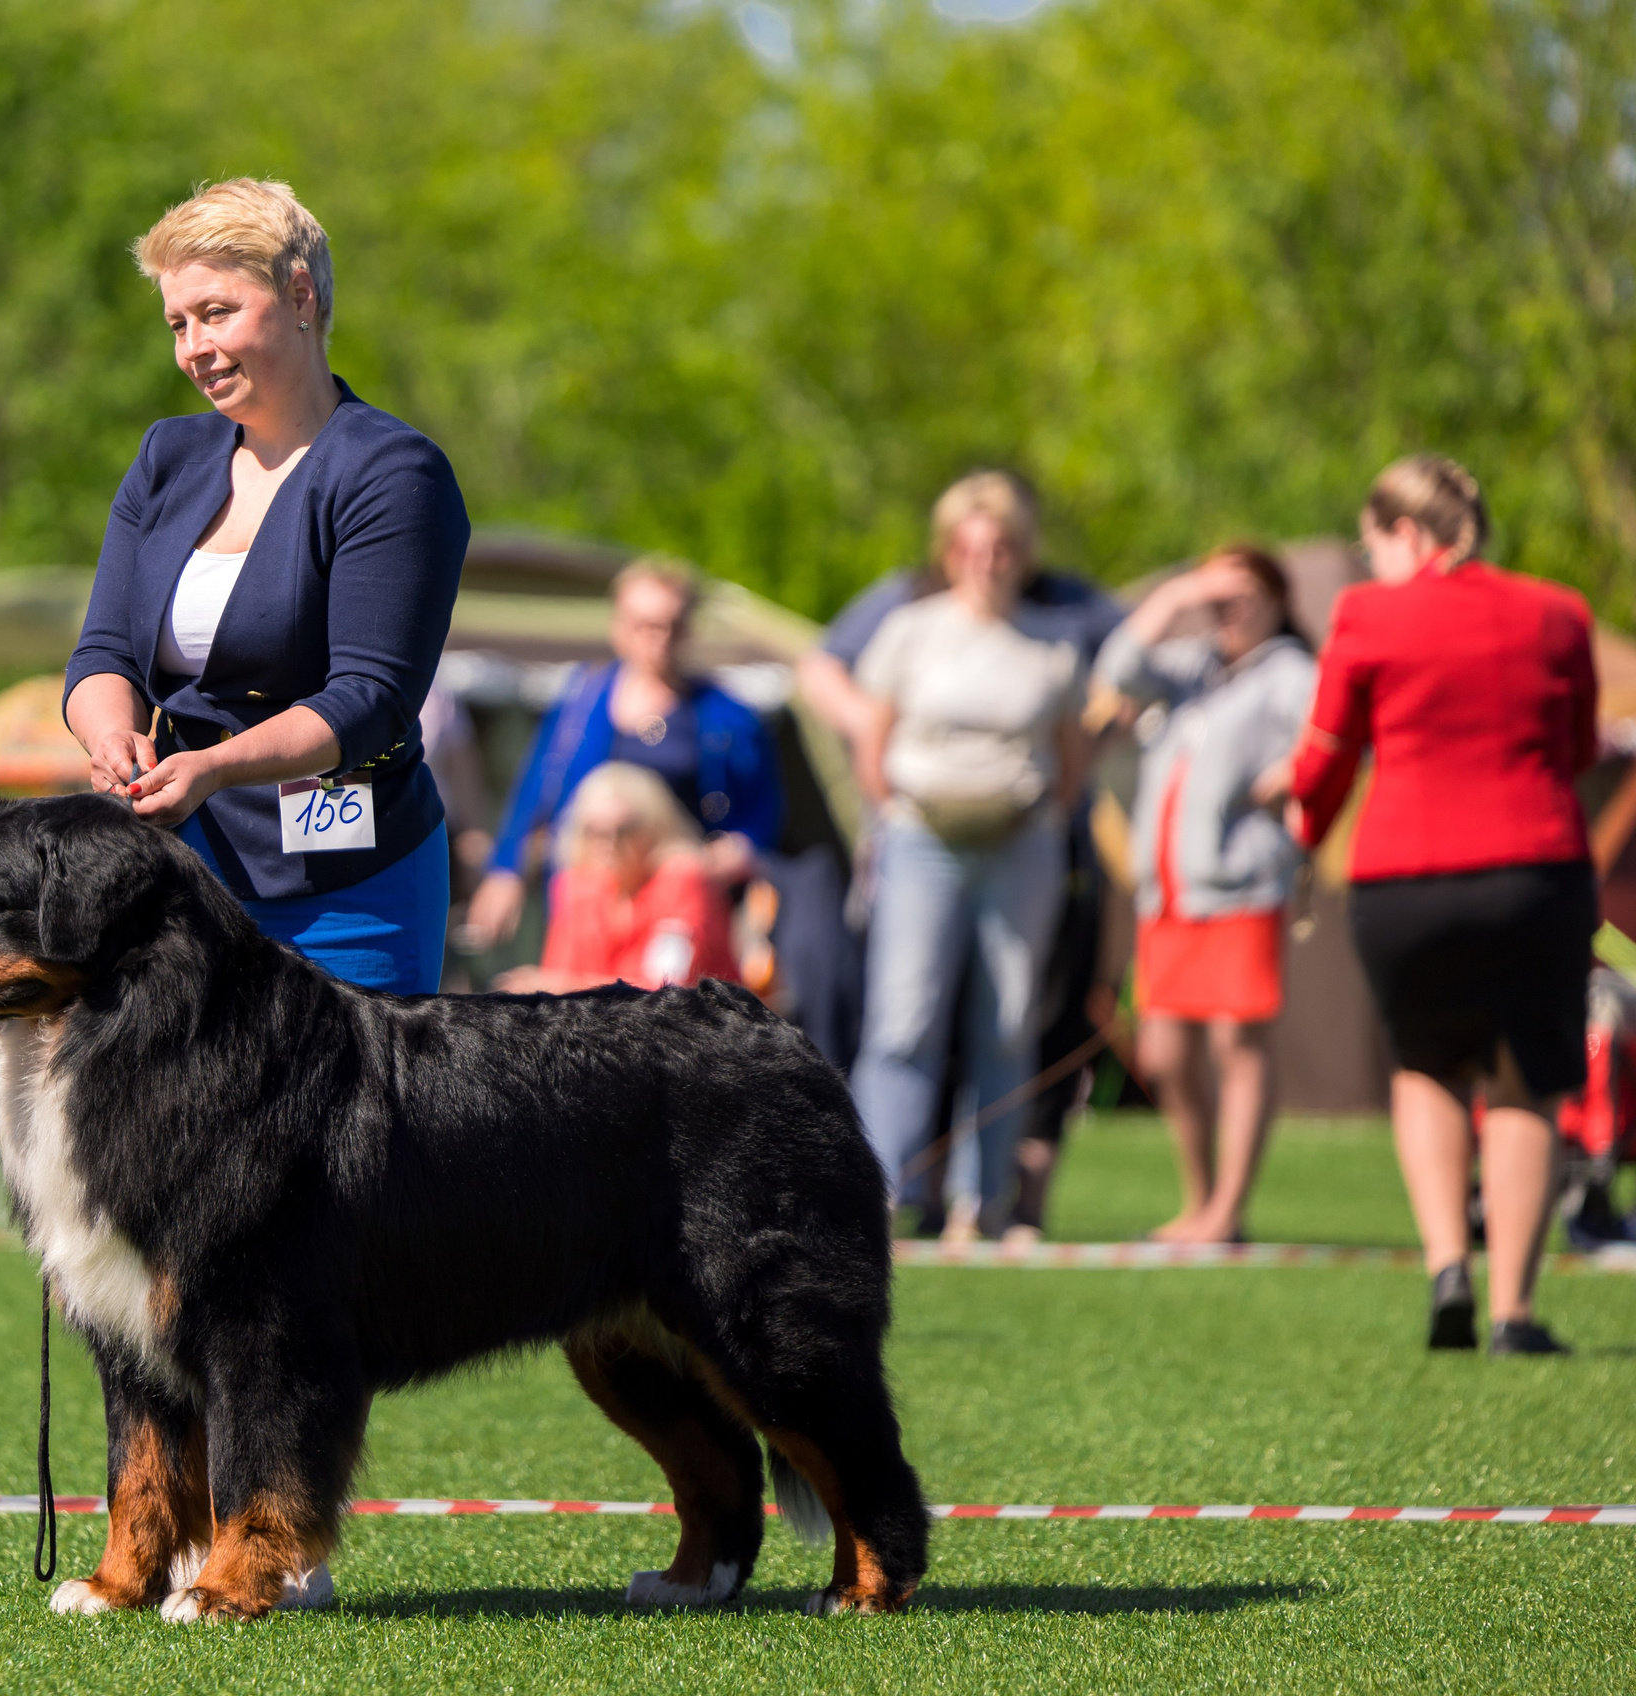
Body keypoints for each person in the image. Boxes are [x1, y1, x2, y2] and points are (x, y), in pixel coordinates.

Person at [65, 179, 469, 1002]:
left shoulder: (393, 471)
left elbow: (370, 697)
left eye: (215, 313)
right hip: (177, 879)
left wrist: (214, 765)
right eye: (177, 324)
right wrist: (112, 742)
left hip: (350, 887)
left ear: (299, 296)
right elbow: (104, 650)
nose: (192, 348)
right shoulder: (165, 457)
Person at [1288, 455, 1595, 1356]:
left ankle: (1446, 1267)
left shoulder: (1367, 613)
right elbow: (1575, 748)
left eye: (1370, 541)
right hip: (1534, 870)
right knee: (1524, 1083)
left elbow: (1325, 758)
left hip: (1403, 878)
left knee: (1426, 1066)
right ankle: (1514, 1312)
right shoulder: (1557, 611)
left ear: (1406, 533)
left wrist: (1306, 825)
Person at [798, 470, 1123, 1233]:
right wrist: (901, 813)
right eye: (973, 546)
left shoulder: (1054, 638)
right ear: (949, 551)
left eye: (1004, 546)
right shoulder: (910, 626)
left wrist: (1037, 814)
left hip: (1021, 847)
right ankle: (878, 1193)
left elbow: (1073, 758)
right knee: (903, 1021)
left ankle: (984, 1200)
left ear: (1023, 552)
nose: (989, 560)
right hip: (923, 842)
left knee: (1006, 1020)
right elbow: (870, 738)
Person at [1098, 544, 1316, 1244]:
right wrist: (1178, 595)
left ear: (1280, 600)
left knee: (1236, 1044)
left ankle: (1228, 1207)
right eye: (1218, 591)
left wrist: (1293, 773)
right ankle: (1199, 1201)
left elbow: (1339, 735)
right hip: (1166, 896)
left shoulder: (1289, 672)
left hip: (1240, 887)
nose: (1228, 604)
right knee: (1164, 1053)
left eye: (1243, 589)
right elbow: (1115, 671)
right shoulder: (1193, 669)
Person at [464, 559, 780, 982]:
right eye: (644, 624)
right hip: (588, 890)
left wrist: (740, 847)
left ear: (688, 628)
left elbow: (764, 805)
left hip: (672, 894)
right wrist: (507, 870)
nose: (658, 637)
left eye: (671, 624)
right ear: (619, 625)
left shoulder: (726, 716)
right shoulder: (581, 702)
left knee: (658, 996)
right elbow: (536, 790)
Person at [495, 763, 742, 994]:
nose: (609, 844)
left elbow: (666, 992)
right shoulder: (577, 885)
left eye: (623, 830)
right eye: (594, 831)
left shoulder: (683, 878)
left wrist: (562, 987)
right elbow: (558, 975)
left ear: (654, 828)